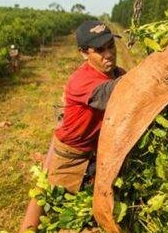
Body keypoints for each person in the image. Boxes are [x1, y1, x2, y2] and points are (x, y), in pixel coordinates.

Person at [48, 20, 125, 192]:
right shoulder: (81, 80)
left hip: (97, 151)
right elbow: (115, 93)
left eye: (111, 46)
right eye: (99, 50)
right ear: (83, 53)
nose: (109, 54)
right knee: (62, 206)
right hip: (72, 157)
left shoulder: (118, 73)